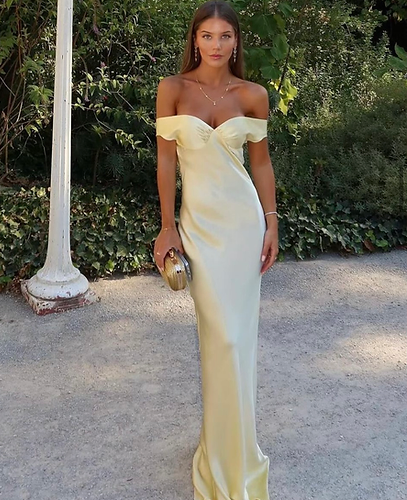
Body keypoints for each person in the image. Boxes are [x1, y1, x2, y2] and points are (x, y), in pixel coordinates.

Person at [153, 1, 278, 499]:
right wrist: (167, 228)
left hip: (243, 226)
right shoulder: (172, 88)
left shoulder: (253, 94)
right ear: (194, 39)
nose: (216, 44)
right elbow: (166, 162)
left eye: (226, 36)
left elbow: (261, 164)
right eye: (207, 35)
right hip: (199, 228)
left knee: (237, 341)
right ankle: (220, 453)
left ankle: (235, 452)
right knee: (219, 339)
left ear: (236, 41)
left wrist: (272, 221)